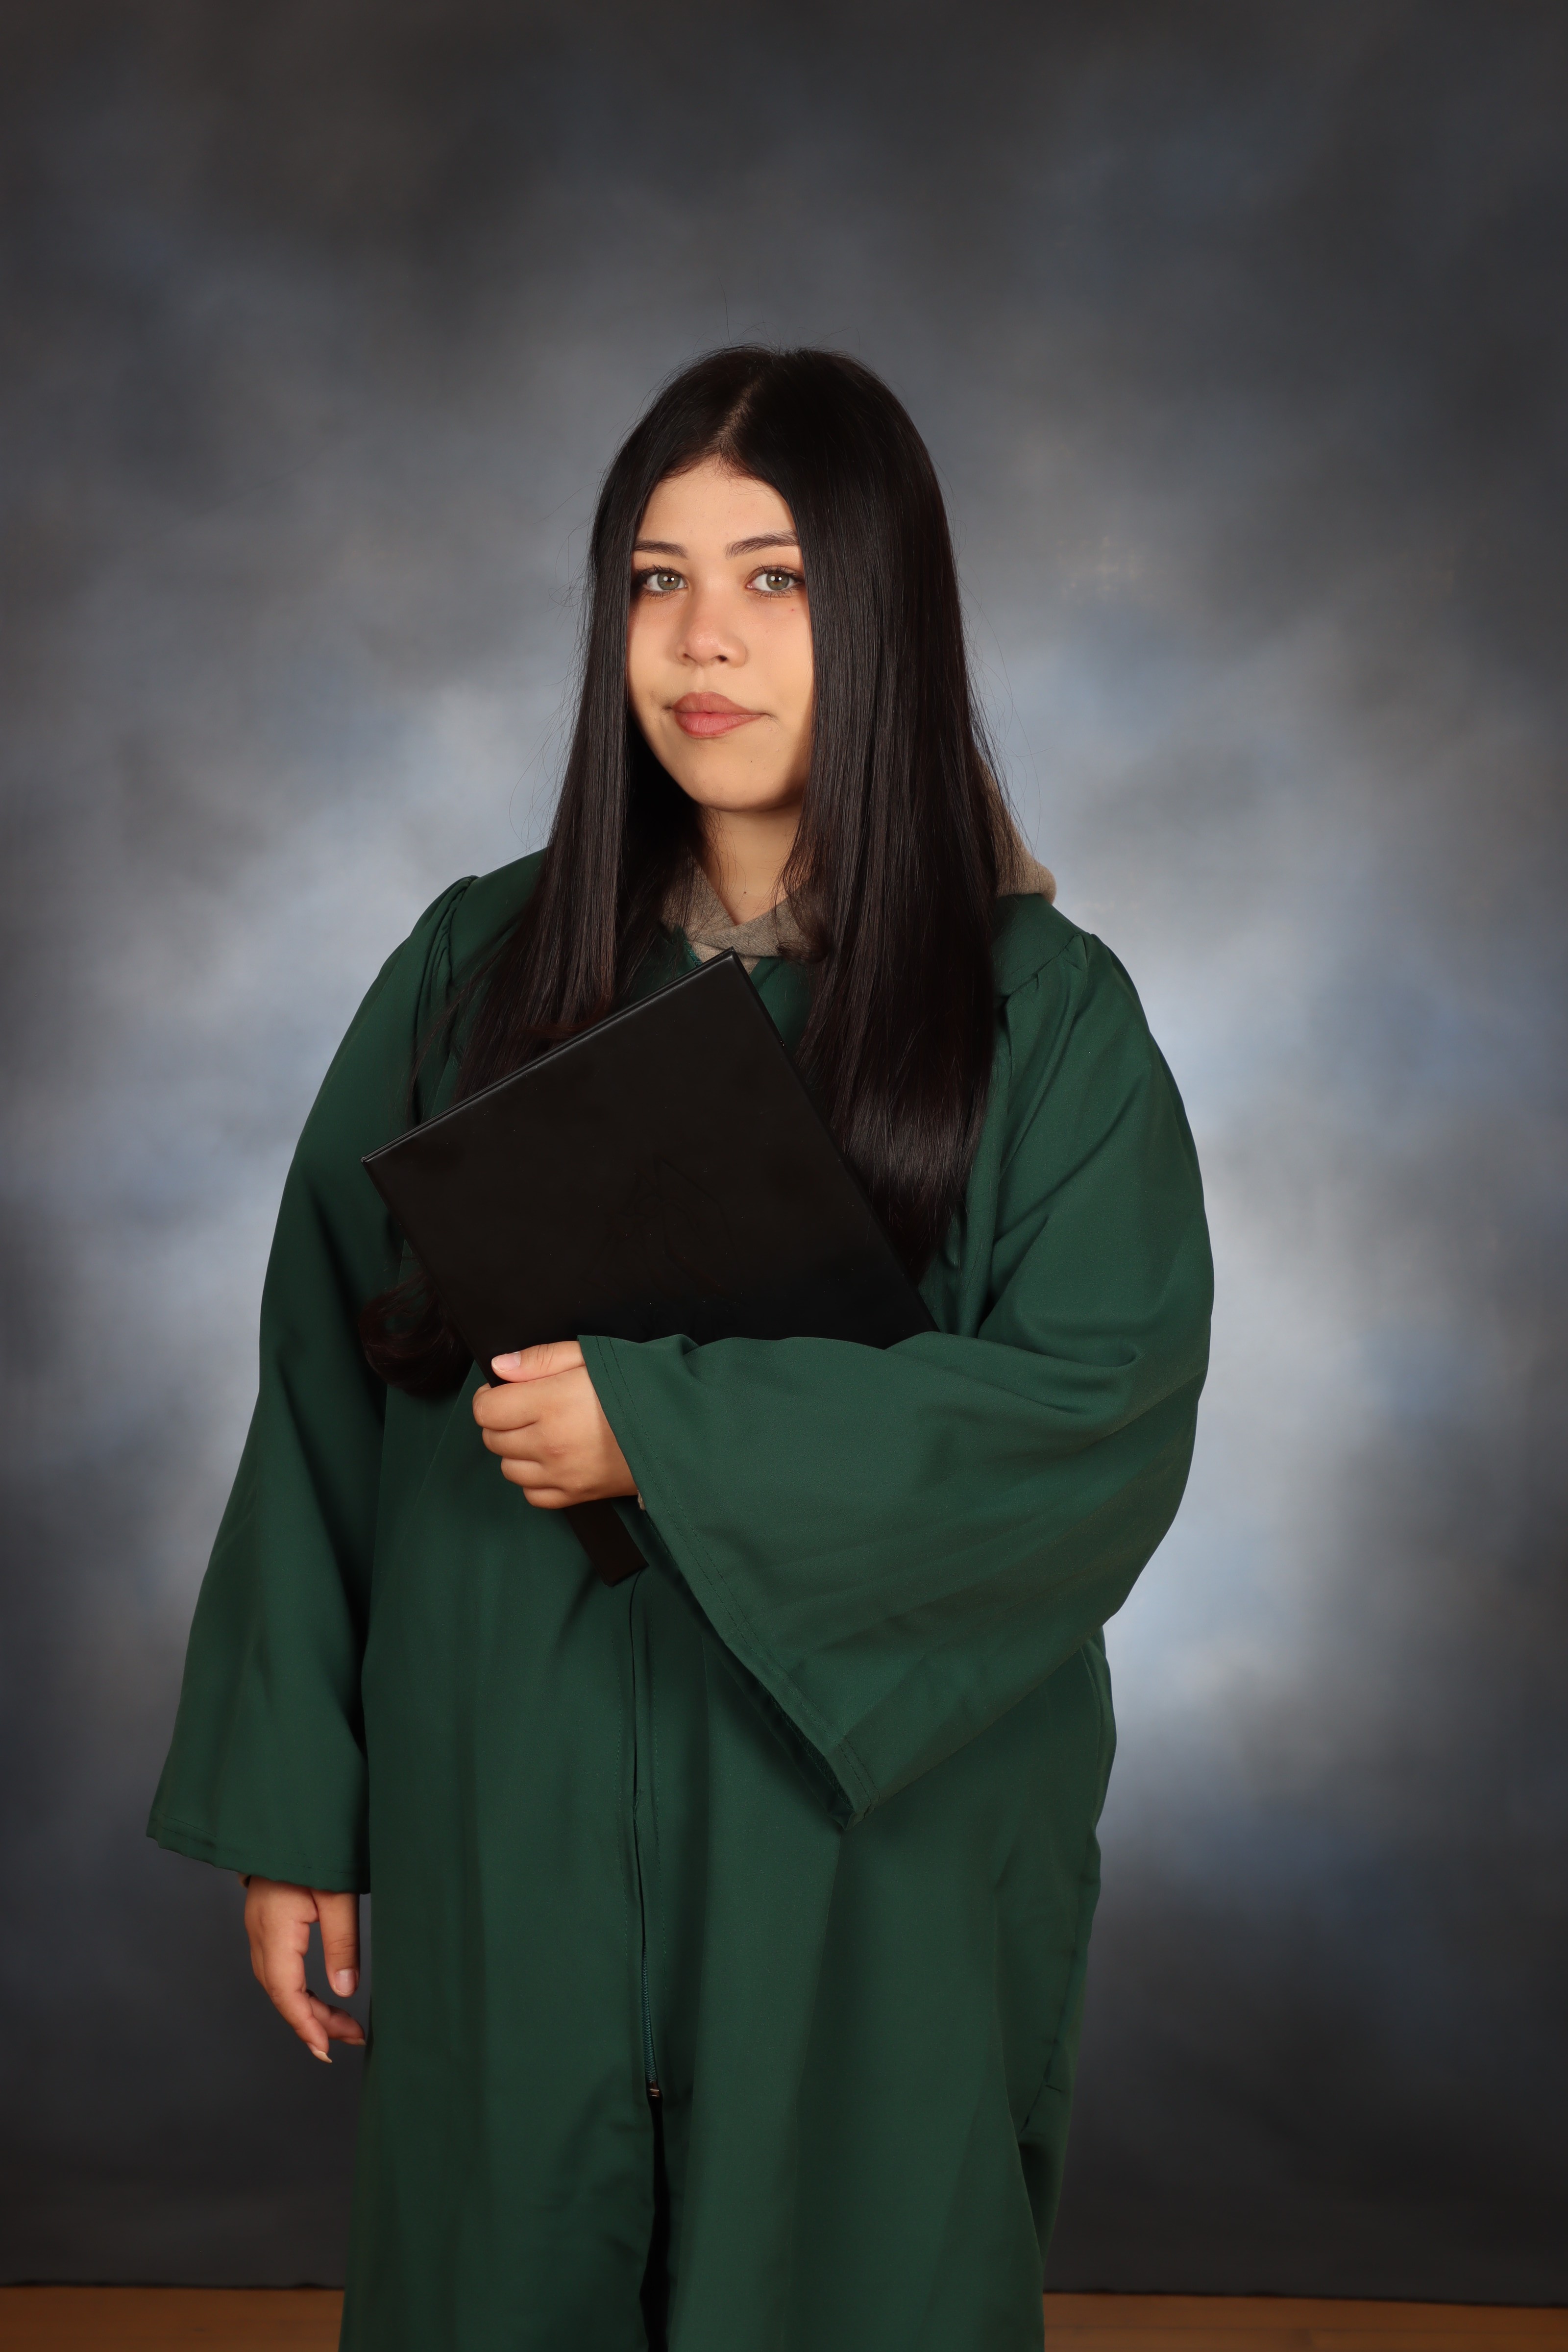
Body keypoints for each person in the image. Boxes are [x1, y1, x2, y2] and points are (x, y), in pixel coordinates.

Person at [149, 346, 1212, 2352]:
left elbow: (1091, 1413)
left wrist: (665, 1428)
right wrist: (299, 1805)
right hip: (511, 1808)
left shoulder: (1039, 1019)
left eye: (775, 579)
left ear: (886, 614)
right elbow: (318, 1388)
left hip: (857, 1863)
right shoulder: (475, 968)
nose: (701, 641)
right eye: (656, 580)